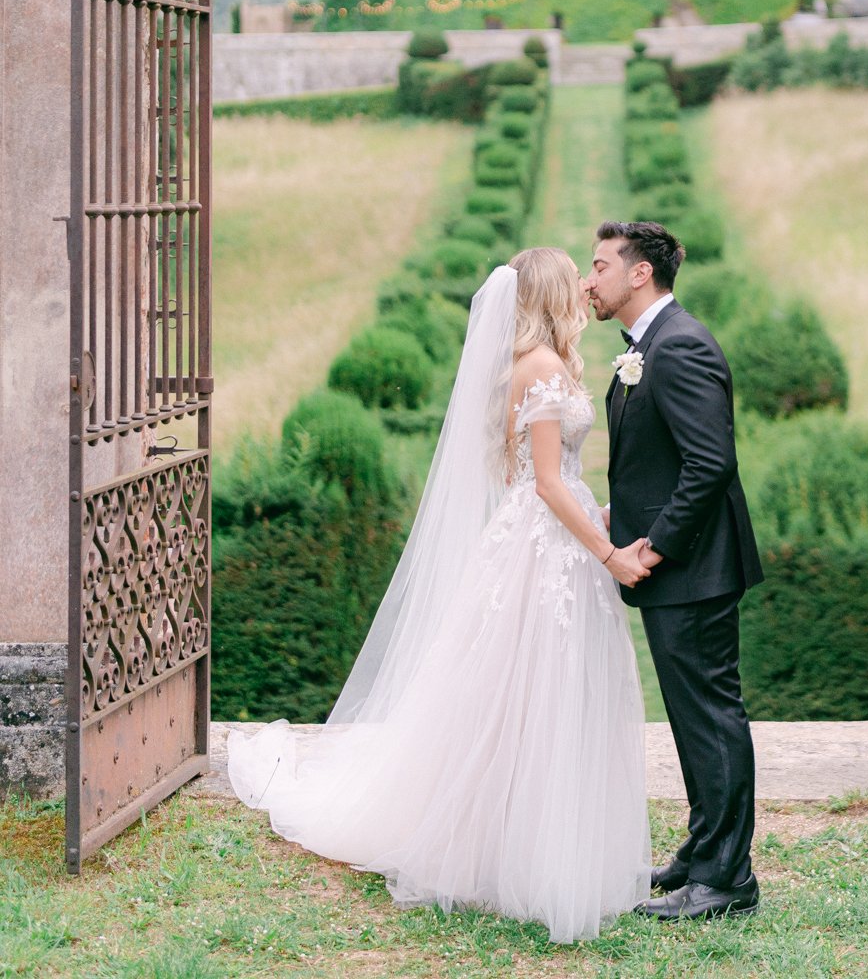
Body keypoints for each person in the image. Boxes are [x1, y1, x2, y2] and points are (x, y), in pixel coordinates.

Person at [226, 249, 653, 944]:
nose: (583, 286)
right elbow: (546, 481)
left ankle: (512, 836)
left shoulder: (539, 365)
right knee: (528, 694)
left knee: (520, 696)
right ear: (549, 295)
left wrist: (597, 516)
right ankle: (511, 848)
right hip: (545, 549)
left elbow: (555, 478)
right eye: (573, 276)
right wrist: (605, 553)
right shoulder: (541, 369)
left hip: (550, 540)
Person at [585, 219, 764, 923]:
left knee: (713, 718)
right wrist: (615, 515)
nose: (587, 279)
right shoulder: (647, 346)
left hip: (694, 570)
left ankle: (727, 880)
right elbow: (659, 460)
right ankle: (702, 851)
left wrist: (650, 548)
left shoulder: (680, 345)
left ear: (639, 274)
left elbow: (711, 464)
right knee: (693, 720)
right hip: (679, 571)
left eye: (598, 265)